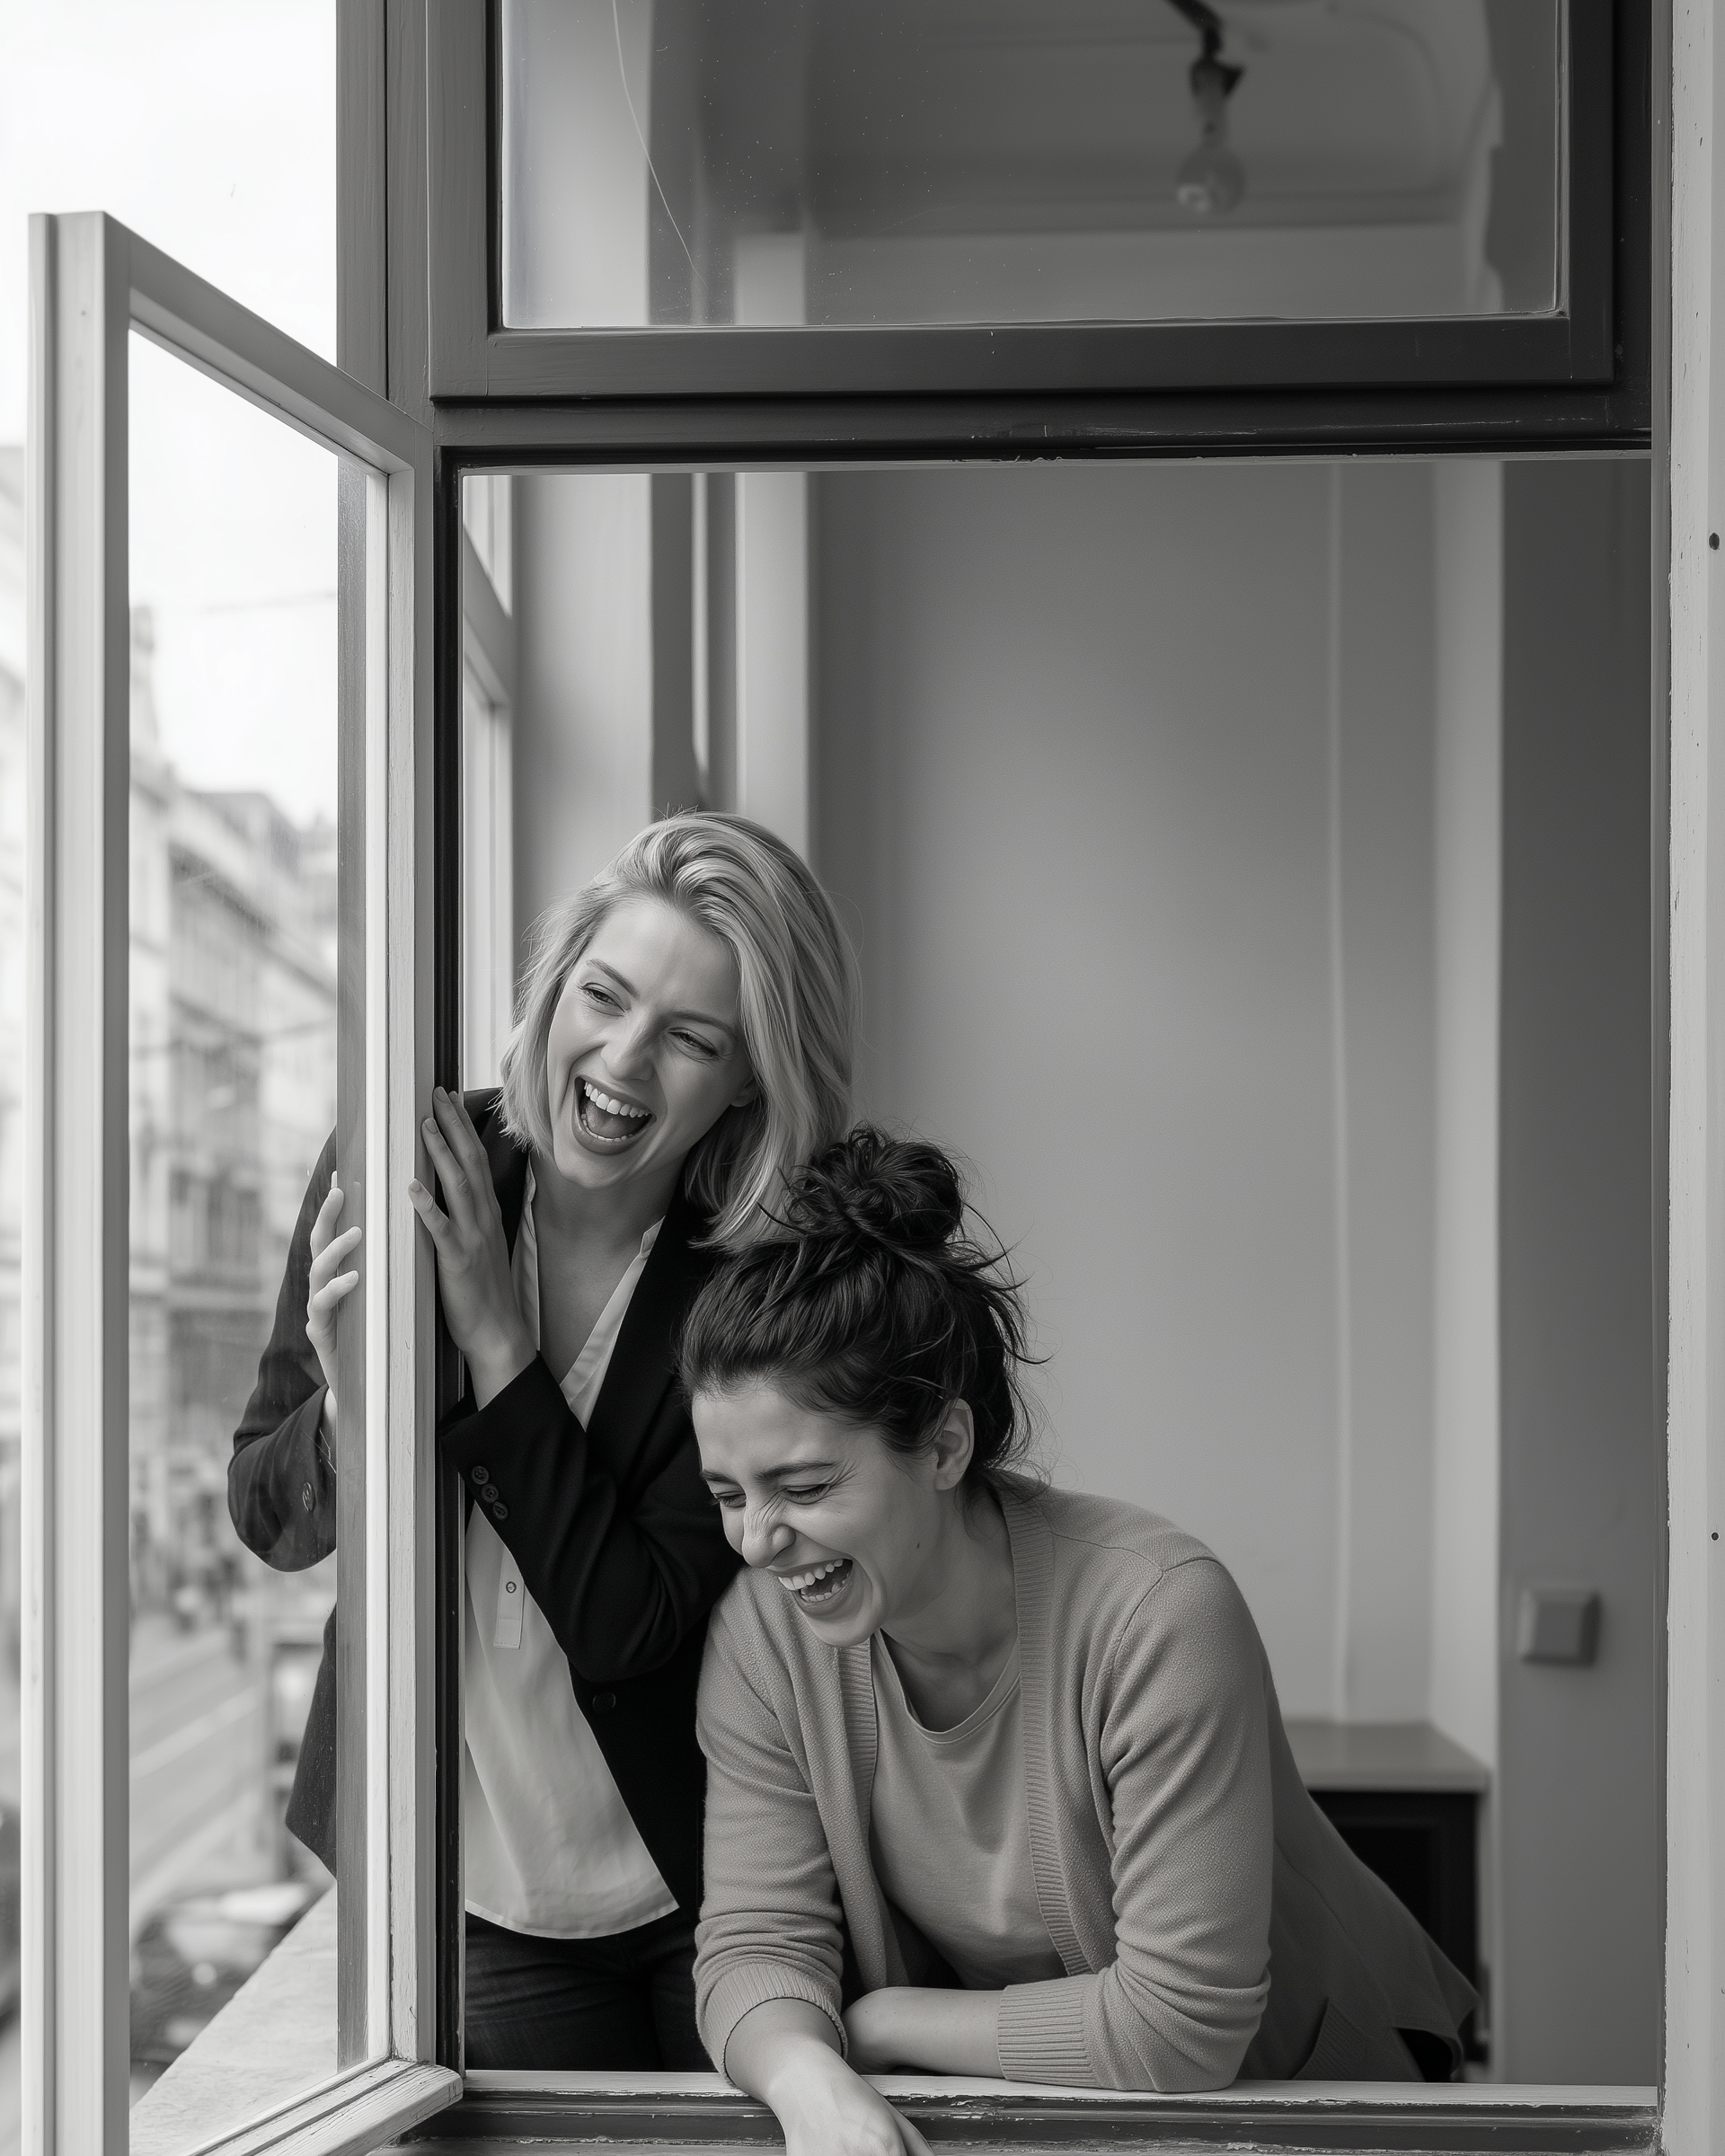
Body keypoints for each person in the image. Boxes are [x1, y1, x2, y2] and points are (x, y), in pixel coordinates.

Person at [681, 1130, 1476, 2154]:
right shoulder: (763, 1641)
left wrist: (879, 2024)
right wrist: (807, 2078)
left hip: (1317, 2092)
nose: (756, 1541)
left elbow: (1181, 2025)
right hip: (1078, 2108)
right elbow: (755, 1943)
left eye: (804, 1488)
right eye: (727, 1496)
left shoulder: (1159, 1614)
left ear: (945, 1447)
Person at [228, 812, 857, 2069]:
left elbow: (629, 1620)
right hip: (463, 1878)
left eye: (690, 1037)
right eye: (603, 995)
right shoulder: (398, 1165)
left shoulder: (756, 1286)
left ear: (748, 1078)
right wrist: (356, 1411)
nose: (623, 1059)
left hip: (709, 1874)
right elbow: (266, 1508)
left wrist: (498, 1351)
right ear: (554, 986)